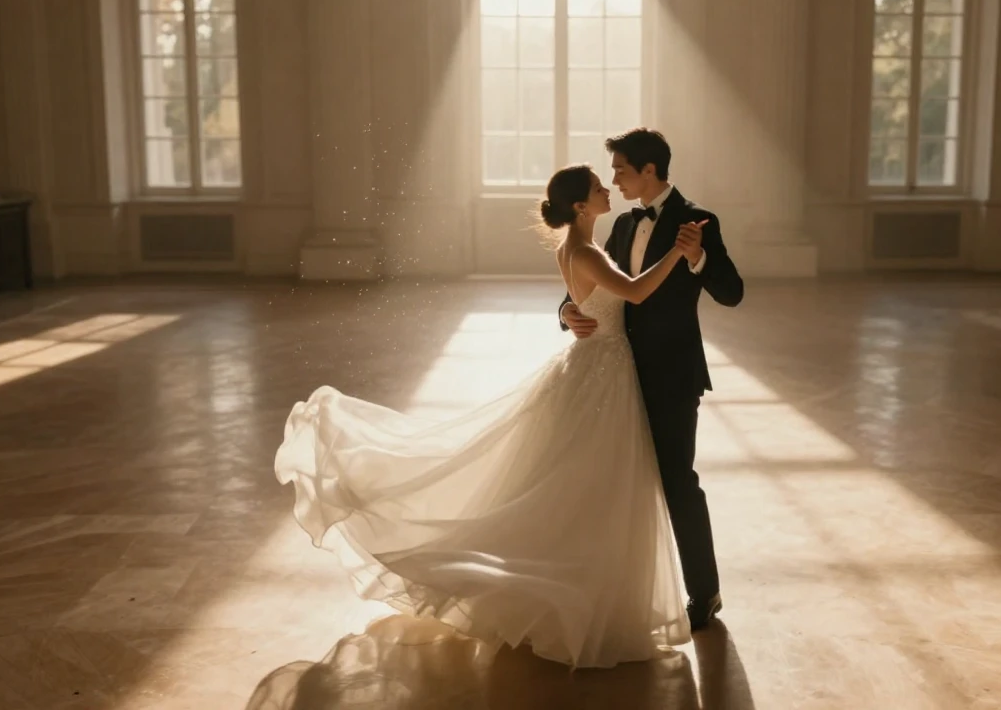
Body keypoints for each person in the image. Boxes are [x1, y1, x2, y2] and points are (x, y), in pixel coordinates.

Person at [274, 161, 713, 669]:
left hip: (596, 365)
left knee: (578, 484)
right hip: (604, 371)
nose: (608, 188)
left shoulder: (576, 247)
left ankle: (587, 594)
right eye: (598, 187)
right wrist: (678, 253)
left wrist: (570, 309)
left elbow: (589, 297)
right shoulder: (587, 250)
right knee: (590, 486)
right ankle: (583, 601)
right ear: (580, 206)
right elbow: (633, 292)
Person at [559, 128, 744, 632]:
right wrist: (566, 312)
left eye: (620, 170)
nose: (615, 180)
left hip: (672, 373)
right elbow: (594, 287)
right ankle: (621, 593)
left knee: (677, 481)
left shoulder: (697, 221)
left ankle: (704, 592)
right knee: (612, 482)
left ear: (649, 170)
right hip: (613, 375)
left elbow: (732, 293)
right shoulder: (623, 224)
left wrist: (697, 258)